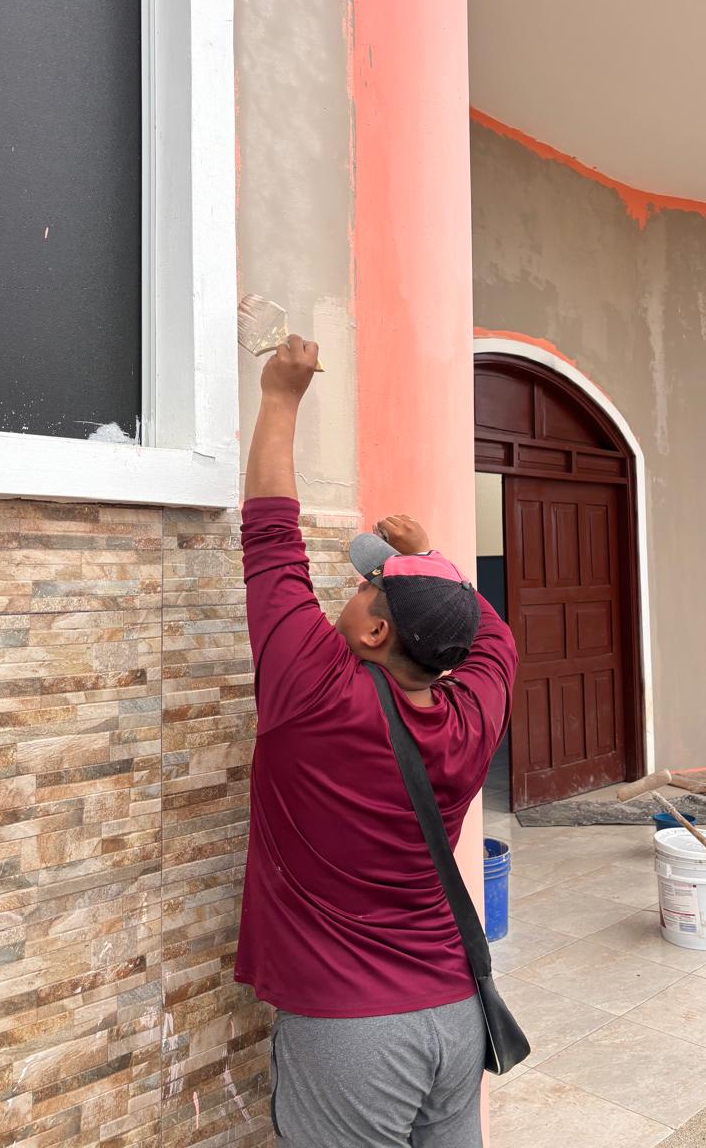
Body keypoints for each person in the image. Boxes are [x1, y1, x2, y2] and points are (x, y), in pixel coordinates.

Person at [235, 336, 519, 1147]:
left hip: (352, 1036)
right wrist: (427, 560)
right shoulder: (471, 716)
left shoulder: (313, 695)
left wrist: (280, 396)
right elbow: (494, 639)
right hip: (454, 1018)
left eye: (368, 586)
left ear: (374, 631)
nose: (356, 586)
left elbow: (270, 543)